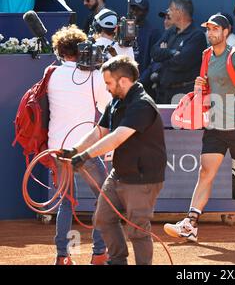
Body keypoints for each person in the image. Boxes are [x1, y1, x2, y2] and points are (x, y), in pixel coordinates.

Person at [164, 14, 235, 242]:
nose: (210, 33)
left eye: (215, 29)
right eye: (208, 29)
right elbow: (209, 87)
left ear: (226, 32)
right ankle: (190, 223)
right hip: (215, 125)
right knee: (205, 173)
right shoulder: (206, 56)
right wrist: (200, 86)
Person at [66, 55, 166, 265]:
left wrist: (85, 156)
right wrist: (74, 150)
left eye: (109, 83)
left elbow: (118, 136)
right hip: (120, 174)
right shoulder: (115, 102)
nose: (107, 88)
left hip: (143, 179)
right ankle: (118, 261)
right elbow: (99, 132)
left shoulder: (142, 104)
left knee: (138, 230)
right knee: (103, 219)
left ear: (123, 81)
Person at [48, 25, 111, 265]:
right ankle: (99, 253)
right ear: (82, 49)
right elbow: (106, 107)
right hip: (84, 149)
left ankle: (62, 256)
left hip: (57, 147)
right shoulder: (92, 76)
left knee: (66, 200)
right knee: (105, 196)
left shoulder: (51, 73)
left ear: (60, 51)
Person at [150, 0, 207, 104]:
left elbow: (181, 63)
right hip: (163, 93)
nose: (168, 12)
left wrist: (162, 57)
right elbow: (153, 52)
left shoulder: (197, 35)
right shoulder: (171, 31)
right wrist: (170, 52)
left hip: (182, 95)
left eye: (171, 9)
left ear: (180, 12)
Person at [130, 0, 161, 97]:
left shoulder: (153, 32)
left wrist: (141, 81)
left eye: (139, 9)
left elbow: (154, 60)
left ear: (146, 11)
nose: (135, 12)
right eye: (133, 8)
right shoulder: (124, 29)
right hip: (126, 82)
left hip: (144, 86)